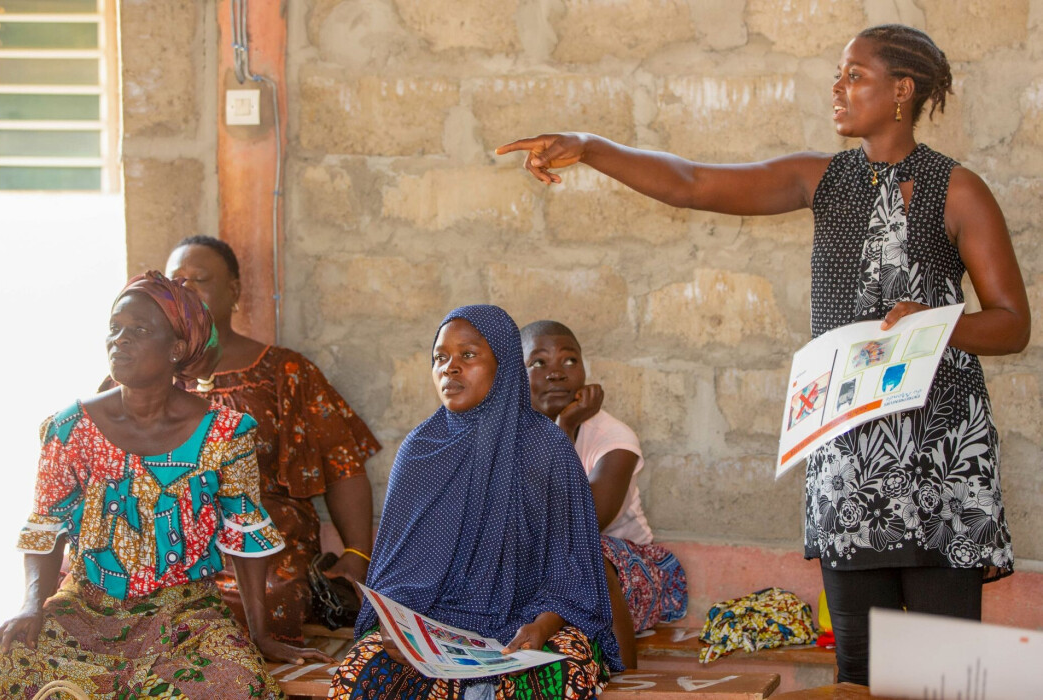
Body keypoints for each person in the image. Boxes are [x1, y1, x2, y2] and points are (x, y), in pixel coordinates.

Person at [497, 24, 1030, 685]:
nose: (838, 88)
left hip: (942, 458)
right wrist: (590, 147)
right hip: (847, 457)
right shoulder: (820, 180)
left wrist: (939, 322)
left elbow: (1012, 325)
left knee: (942, 673)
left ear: (902, 90)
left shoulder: (959, 190)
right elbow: (692, 182)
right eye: (837, 74)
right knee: (861, 671)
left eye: (855, 75)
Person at [0, 271, 331, 699]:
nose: (119, 340)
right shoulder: (69, 428)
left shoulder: (224, 434)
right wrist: (31, 605)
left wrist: (259, 634)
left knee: (235, 684)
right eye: (114, 329)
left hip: (185, 614)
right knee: (9, 661)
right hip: (86, 608)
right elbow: (46, 526)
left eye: (137, 330)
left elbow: (244, 537)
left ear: (176, 349)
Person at [328, 305, 622, 699]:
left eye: (467, 355)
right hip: (434, 625)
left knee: (557, 676)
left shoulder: (546, 448)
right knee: (362, 672)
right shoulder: (420, 451)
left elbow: (569, 570)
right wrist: (394, 628)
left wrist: (541, 626)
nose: (449, 368)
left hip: (529, 624)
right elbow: (395, 574)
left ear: (503, 364)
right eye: (439, 358)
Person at [158, 235, 380, 642]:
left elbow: (342, 462)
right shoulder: (147, 376)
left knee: (263, 601)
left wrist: (357, 553)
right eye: (177, 281)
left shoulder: (284, 371)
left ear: (234, 291)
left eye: (200, 279)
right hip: (168, 537)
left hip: (265, 539)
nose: (186, 290)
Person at [521, 320, 687, 669]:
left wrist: (563, 429)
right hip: (553, 572)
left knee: (586, 552)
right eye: (538, 362)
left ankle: (628, 679)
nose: (556, 373)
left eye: (569, 361)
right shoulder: (510, 435)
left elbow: (584, 523)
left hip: (626, 574)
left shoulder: (614, 438)